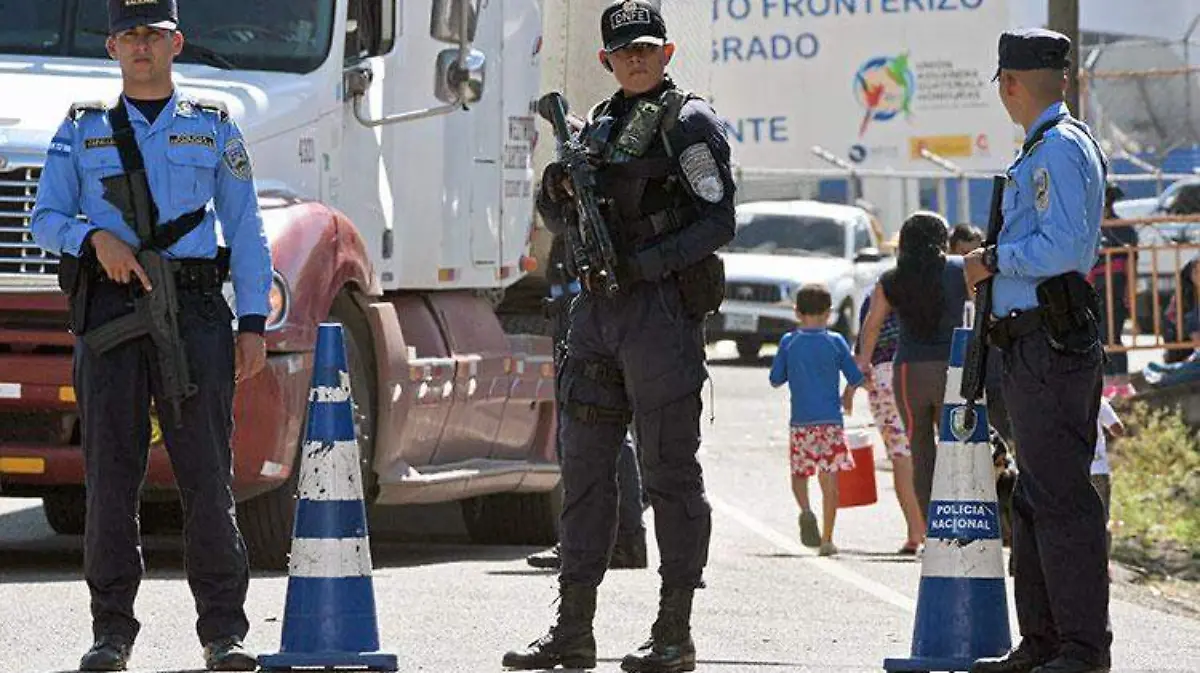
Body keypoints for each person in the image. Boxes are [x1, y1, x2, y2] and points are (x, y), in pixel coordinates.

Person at [29, 0, 270, 670]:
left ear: (176, 43)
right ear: (111, 48)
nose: (142, 45)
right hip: (111, 315)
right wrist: (92, 238)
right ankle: (111, 633)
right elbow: (45, 218)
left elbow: (246, 227)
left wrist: (253, 322)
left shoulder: (213, 125)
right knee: (110, 477)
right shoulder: (81, 128)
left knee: (206, 475)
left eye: (153, 34)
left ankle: (223, 633)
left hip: (194, 311)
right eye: (129, 35)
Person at [502, 2, 734, 671]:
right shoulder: (599, 125)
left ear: (667, 53)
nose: (637, 59)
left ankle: (673, 631)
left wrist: (644, 265)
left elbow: (718, 220)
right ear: (606, 59)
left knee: (668, 473)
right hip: (597, 315)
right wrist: (556, 191)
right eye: (625, 51)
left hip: (659, 314)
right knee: (583, 472)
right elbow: (563, 217)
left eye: (647, 48)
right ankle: (573, 629)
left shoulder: (688, 121)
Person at [966, 28, 1111, 673]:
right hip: (1031, 343)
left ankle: (1081, 648)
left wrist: (993, 259)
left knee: (1059, 500)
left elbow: (1065, 249)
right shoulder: (1046, 146)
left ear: (1009, 83)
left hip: (1048, 342)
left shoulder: (1057, 149)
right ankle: (1045, 642)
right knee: (1034, 498)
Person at [526, 230, 648, 571]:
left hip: (591, 314)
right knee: (590, 432)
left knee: (593, 429)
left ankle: (615, 541)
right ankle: (611, 540)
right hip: (579, 309)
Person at [856, 211, 968, 520]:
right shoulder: (960, 269)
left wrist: (862, 364)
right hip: (952, 370)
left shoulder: (892, 279)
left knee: (920, 452)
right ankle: (959, 519)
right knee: (957, 446)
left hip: (909, 372)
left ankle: (932, 525)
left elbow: (872, 325)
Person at [769, 285, 865, 556]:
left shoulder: (789, 342)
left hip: (801, 421)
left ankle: (806, 510)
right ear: (829, 313)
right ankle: (827, 539)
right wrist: (848, 394)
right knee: (829, 478)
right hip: (830, 421)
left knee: (799, 474)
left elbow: (775, 379)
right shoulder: (836, 341)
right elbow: (855, 376)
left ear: (797, 312)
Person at [854, 284, 925, 554]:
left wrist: (857, 374)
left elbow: (868, 331)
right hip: (928, 369)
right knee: (929, 452)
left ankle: (915, 531)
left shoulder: (881, 288)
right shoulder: (940, 283)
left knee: (901, 457)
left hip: (885, 375)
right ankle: (937, 529)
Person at [1089, 182, 1137, 375]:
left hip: (1116, 288)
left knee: (1113, 335)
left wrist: (1129, 292)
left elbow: (1131, 261)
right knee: (1098, 336)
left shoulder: (1123, 229)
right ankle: (1107, 378)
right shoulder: (1088, 227)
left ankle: (1120, 379)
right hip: (1093, 289)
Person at [1091, 396, 1124, 565]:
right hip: (1098, 469)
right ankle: (1102, 564)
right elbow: (1117, 429)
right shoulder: (1098, 400)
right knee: (1101, 518)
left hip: (1072, 470)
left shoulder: (1062, 397)